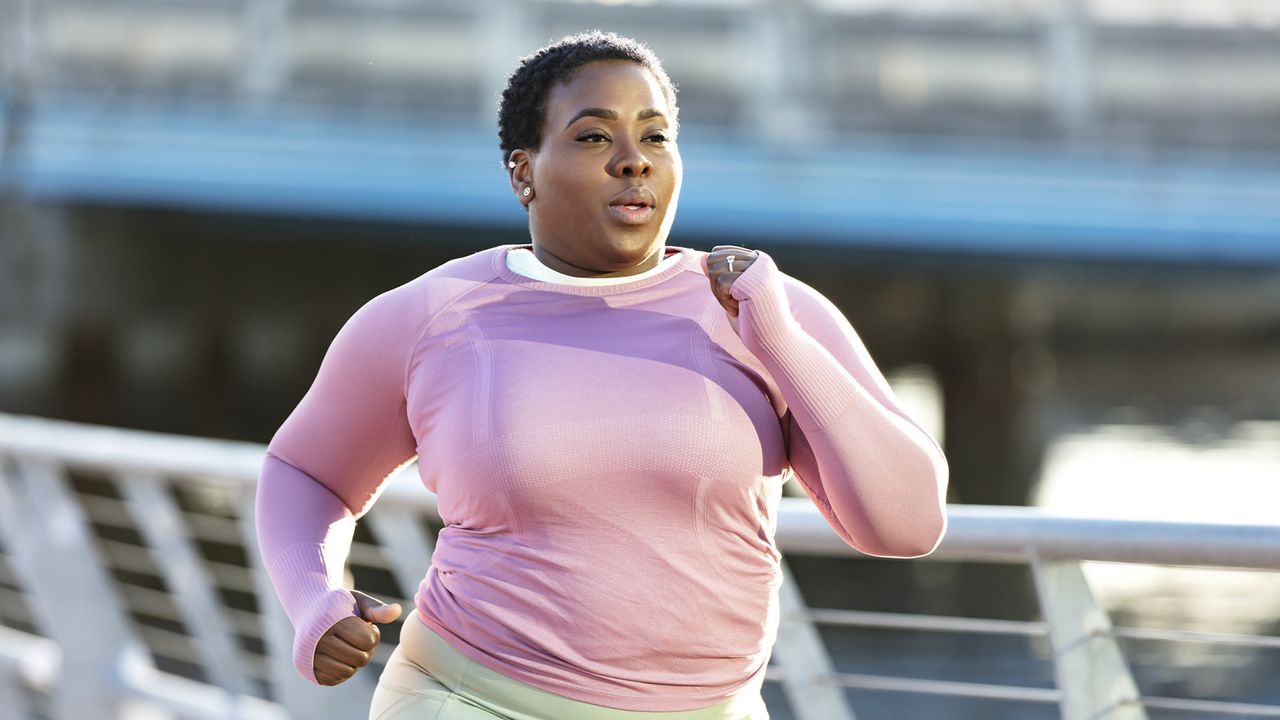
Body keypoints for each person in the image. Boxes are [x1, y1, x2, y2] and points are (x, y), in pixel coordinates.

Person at [255, 31, 948, 720]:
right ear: (523, 171)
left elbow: (908, 525)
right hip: (472, 699)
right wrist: (317, 597)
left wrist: (783, 346)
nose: (631, 163)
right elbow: (305, 471)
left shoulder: (773, 310)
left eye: (656, 137)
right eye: (593, 138)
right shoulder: (430, 316)